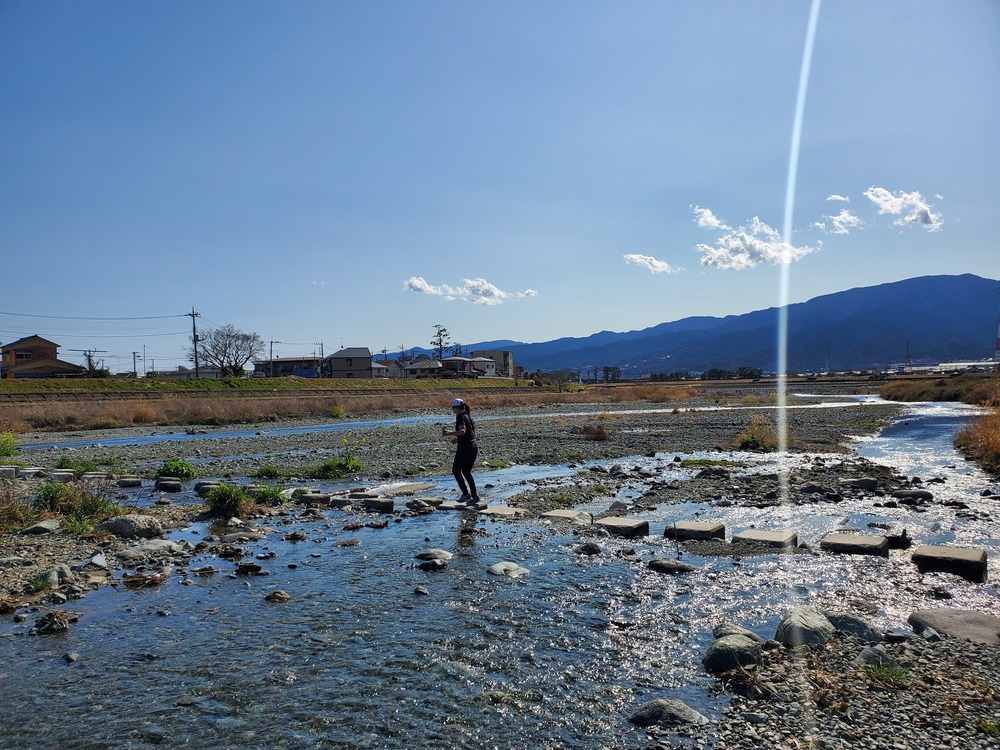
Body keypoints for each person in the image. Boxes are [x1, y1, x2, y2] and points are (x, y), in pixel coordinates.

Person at [442, 398, 479, 504]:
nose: (453, 411)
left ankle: (465, 494)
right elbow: (470, 434)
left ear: (456, 408)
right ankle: (474, 496)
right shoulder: (469, 416)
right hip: (473, 447)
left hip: (464, 449)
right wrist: (457, 439)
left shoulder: (460, 416)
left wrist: (449, 433)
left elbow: (462, 431)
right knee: (467, 472)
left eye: (453, 408)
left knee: (456, 471)